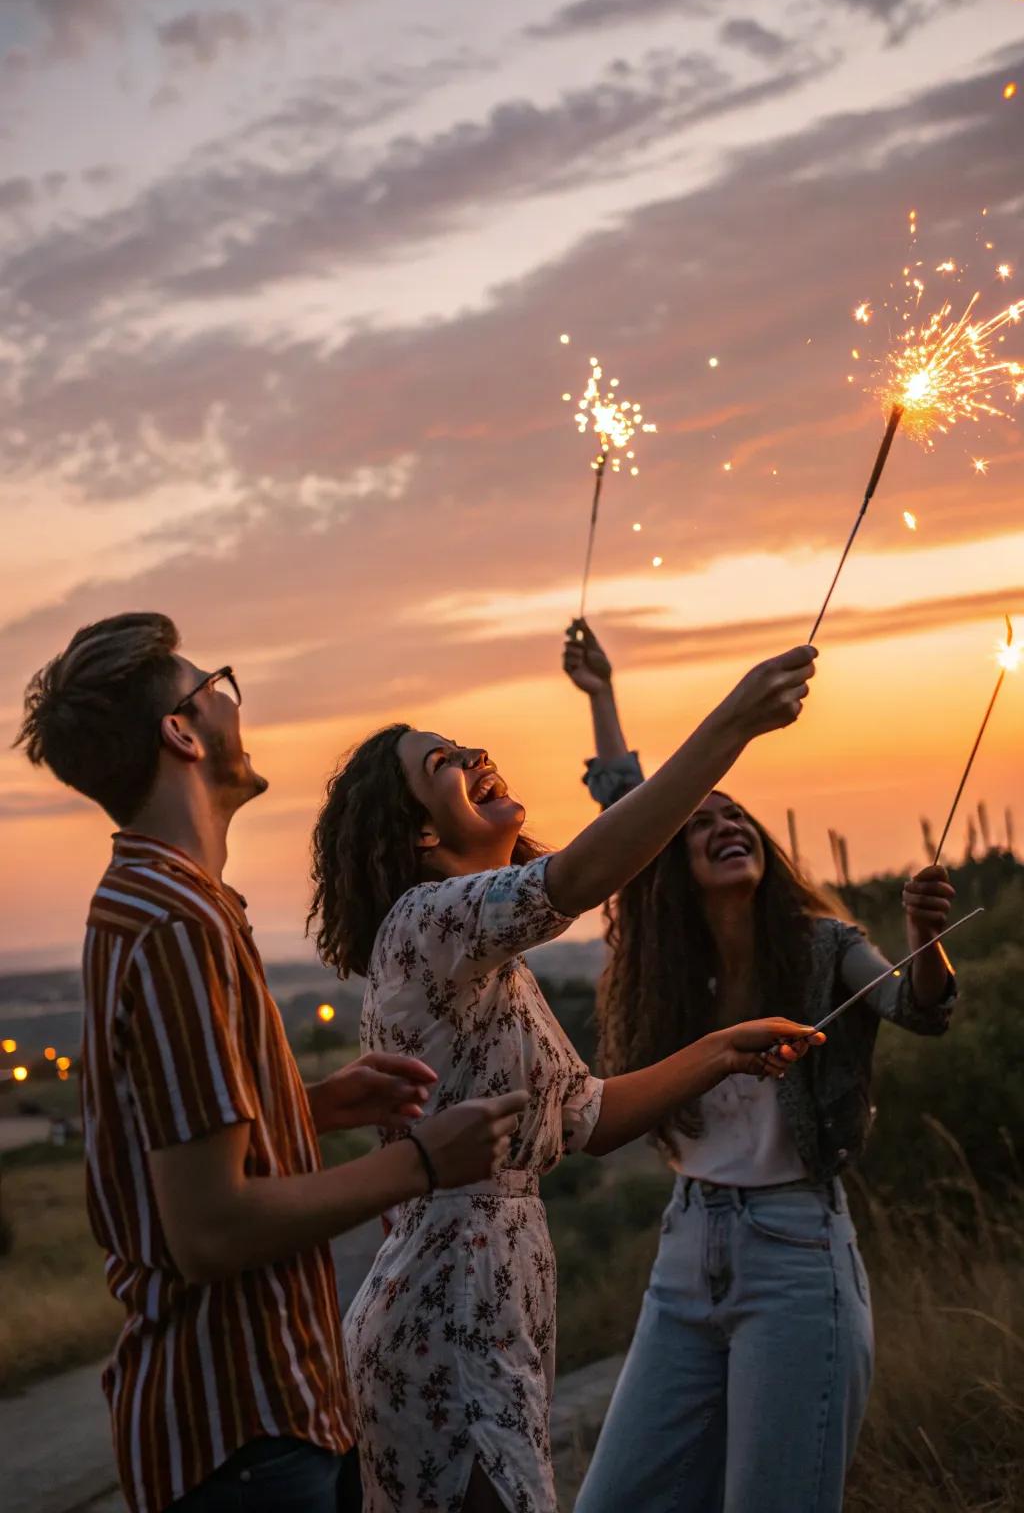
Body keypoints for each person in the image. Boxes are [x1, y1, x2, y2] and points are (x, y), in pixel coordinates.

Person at [16, 613, 526, 1513]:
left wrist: (308, 1104)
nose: (230, 702)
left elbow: (158, 1141)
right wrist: (421, 1163)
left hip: (263, 1422)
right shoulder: (177, 920)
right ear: (182, 731)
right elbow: (209, 1231)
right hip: (240, 1433)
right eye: (215, 684)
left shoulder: (160, 898)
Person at [307, 641, 823, 1513]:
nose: (475, 756)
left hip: (489, 1318)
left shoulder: (489, 968)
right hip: (446, 1323)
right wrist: (733, 724)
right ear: (422, 834)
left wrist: (722, 1048)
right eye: (444, 763)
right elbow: (582, 875)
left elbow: (586, 1119)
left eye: (466, 745)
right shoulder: (421, 922)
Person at [562, 619, 958, 1513]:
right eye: (700, 822)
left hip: (795, 1255)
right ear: (673, 862)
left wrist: (926, 943)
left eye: (735, 814)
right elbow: (634, 806)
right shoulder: (667, 972)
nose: (723, 823)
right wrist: (601, 694)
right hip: (685, 1248)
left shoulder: (824, 945)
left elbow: (916, 1008)